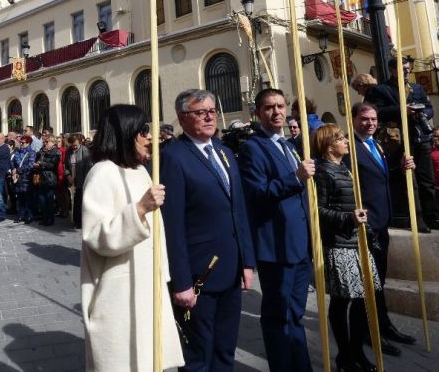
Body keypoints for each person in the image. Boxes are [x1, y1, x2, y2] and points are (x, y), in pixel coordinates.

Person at [81, 104, 183, 371]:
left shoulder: (139, 171)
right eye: (142, 131)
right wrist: (139, 209)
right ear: (125, 134)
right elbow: (96, 236)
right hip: (118, 292)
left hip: (147, 284)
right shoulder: (103, 173)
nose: (149, 136)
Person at [161, 89, 254, 371]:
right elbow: (172, 225)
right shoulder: (173, 157)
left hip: (231, 268)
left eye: (212, 111)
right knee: (199, 355)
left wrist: (247, 261)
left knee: (225, 349)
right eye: (201, 112)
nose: (210, 117)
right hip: (198, 273)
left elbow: (238, 209)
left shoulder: (225, 152)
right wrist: (181, 282)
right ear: (182, 118)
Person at [239, 88, 314, 372]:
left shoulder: (289, 146)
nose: (277, 112)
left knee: (295, 316)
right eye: (269, 107)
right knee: (278, 317)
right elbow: (258, 194)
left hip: (298, 245)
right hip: (276, 247)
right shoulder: (252, 148)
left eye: (281, 106)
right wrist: (295, 177)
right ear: (258, 113)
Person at [348, 102, 416, 357]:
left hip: (382, 223)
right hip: (366, 225)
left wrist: (402, 168)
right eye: (365, 119)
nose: (371, 123)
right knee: (369, 282)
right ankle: (368, 330)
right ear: (354, 119)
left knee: (380, 281)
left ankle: (384, 324)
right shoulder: (350, 149)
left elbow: (381, 178)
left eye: (374, 119)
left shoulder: (376, 144)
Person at [311, 124, 380, 372]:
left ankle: (356, 351)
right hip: (339, 244)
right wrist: (347, 218)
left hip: (357, 241)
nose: (347, 142)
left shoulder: (345, 168)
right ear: (329, 144)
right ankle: (344, 355)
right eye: (341, 139)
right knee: (342, 301)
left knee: (363, 300)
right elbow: (318, 210)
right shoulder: (323, 172)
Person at [366, 56, 439, 232]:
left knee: (426, 180)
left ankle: (432, 216)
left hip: (421, 138)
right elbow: (376, 111)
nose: (407, 71)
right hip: (398, 140)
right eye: (402, 68)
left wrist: (422, 113)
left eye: (408, 68)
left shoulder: (417, 88)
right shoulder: (381, 90)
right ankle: (416, 217)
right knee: (408, 180)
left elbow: (429, 107)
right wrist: (402, 111)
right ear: (392, 70)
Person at [65, 133, 92, 229]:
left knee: (80, 201)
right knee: (74, 201)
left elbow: (88, 166)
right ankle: (76, 221)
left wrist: (86, 181)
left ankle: (81, 222)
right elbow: (66, 166)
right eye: (72, 145)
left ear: (80, 143)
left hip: (82, 179)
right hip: (72, 180)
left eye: (76, 145)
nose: (74, 147)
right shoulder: (68, 151)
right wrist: (68, 176)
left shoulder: (84, 150)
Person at [34, 135, 60, 226]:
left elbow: (53, 165)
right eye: (44, 142)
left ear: (53, 143)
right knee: (42, 200)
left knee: (49, 200)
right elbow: (37, 159)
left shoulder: (56, 152)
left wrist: (41, 163)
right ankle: (44, 218)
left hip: (50, 178)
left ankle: (50, 219)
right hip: (41, 177)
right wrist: (36, 163)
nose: (45, 143)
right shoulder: (41, 151)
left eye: (47, 141)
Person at [12, 135, 36, 223]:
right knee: (20, 198)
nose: (21, 144)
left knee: (28, 198)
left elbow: (30, 166)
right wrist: (13, 169)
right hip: (18, 179)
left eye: (23, 143)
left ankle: (29, 215)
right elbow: (13, 162)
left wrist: (18, 170)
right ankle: (21, 215)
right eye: (20, 142)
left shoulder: (32, 153)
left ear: (28, 143)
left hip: (27, 178)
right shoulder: (18, 152)